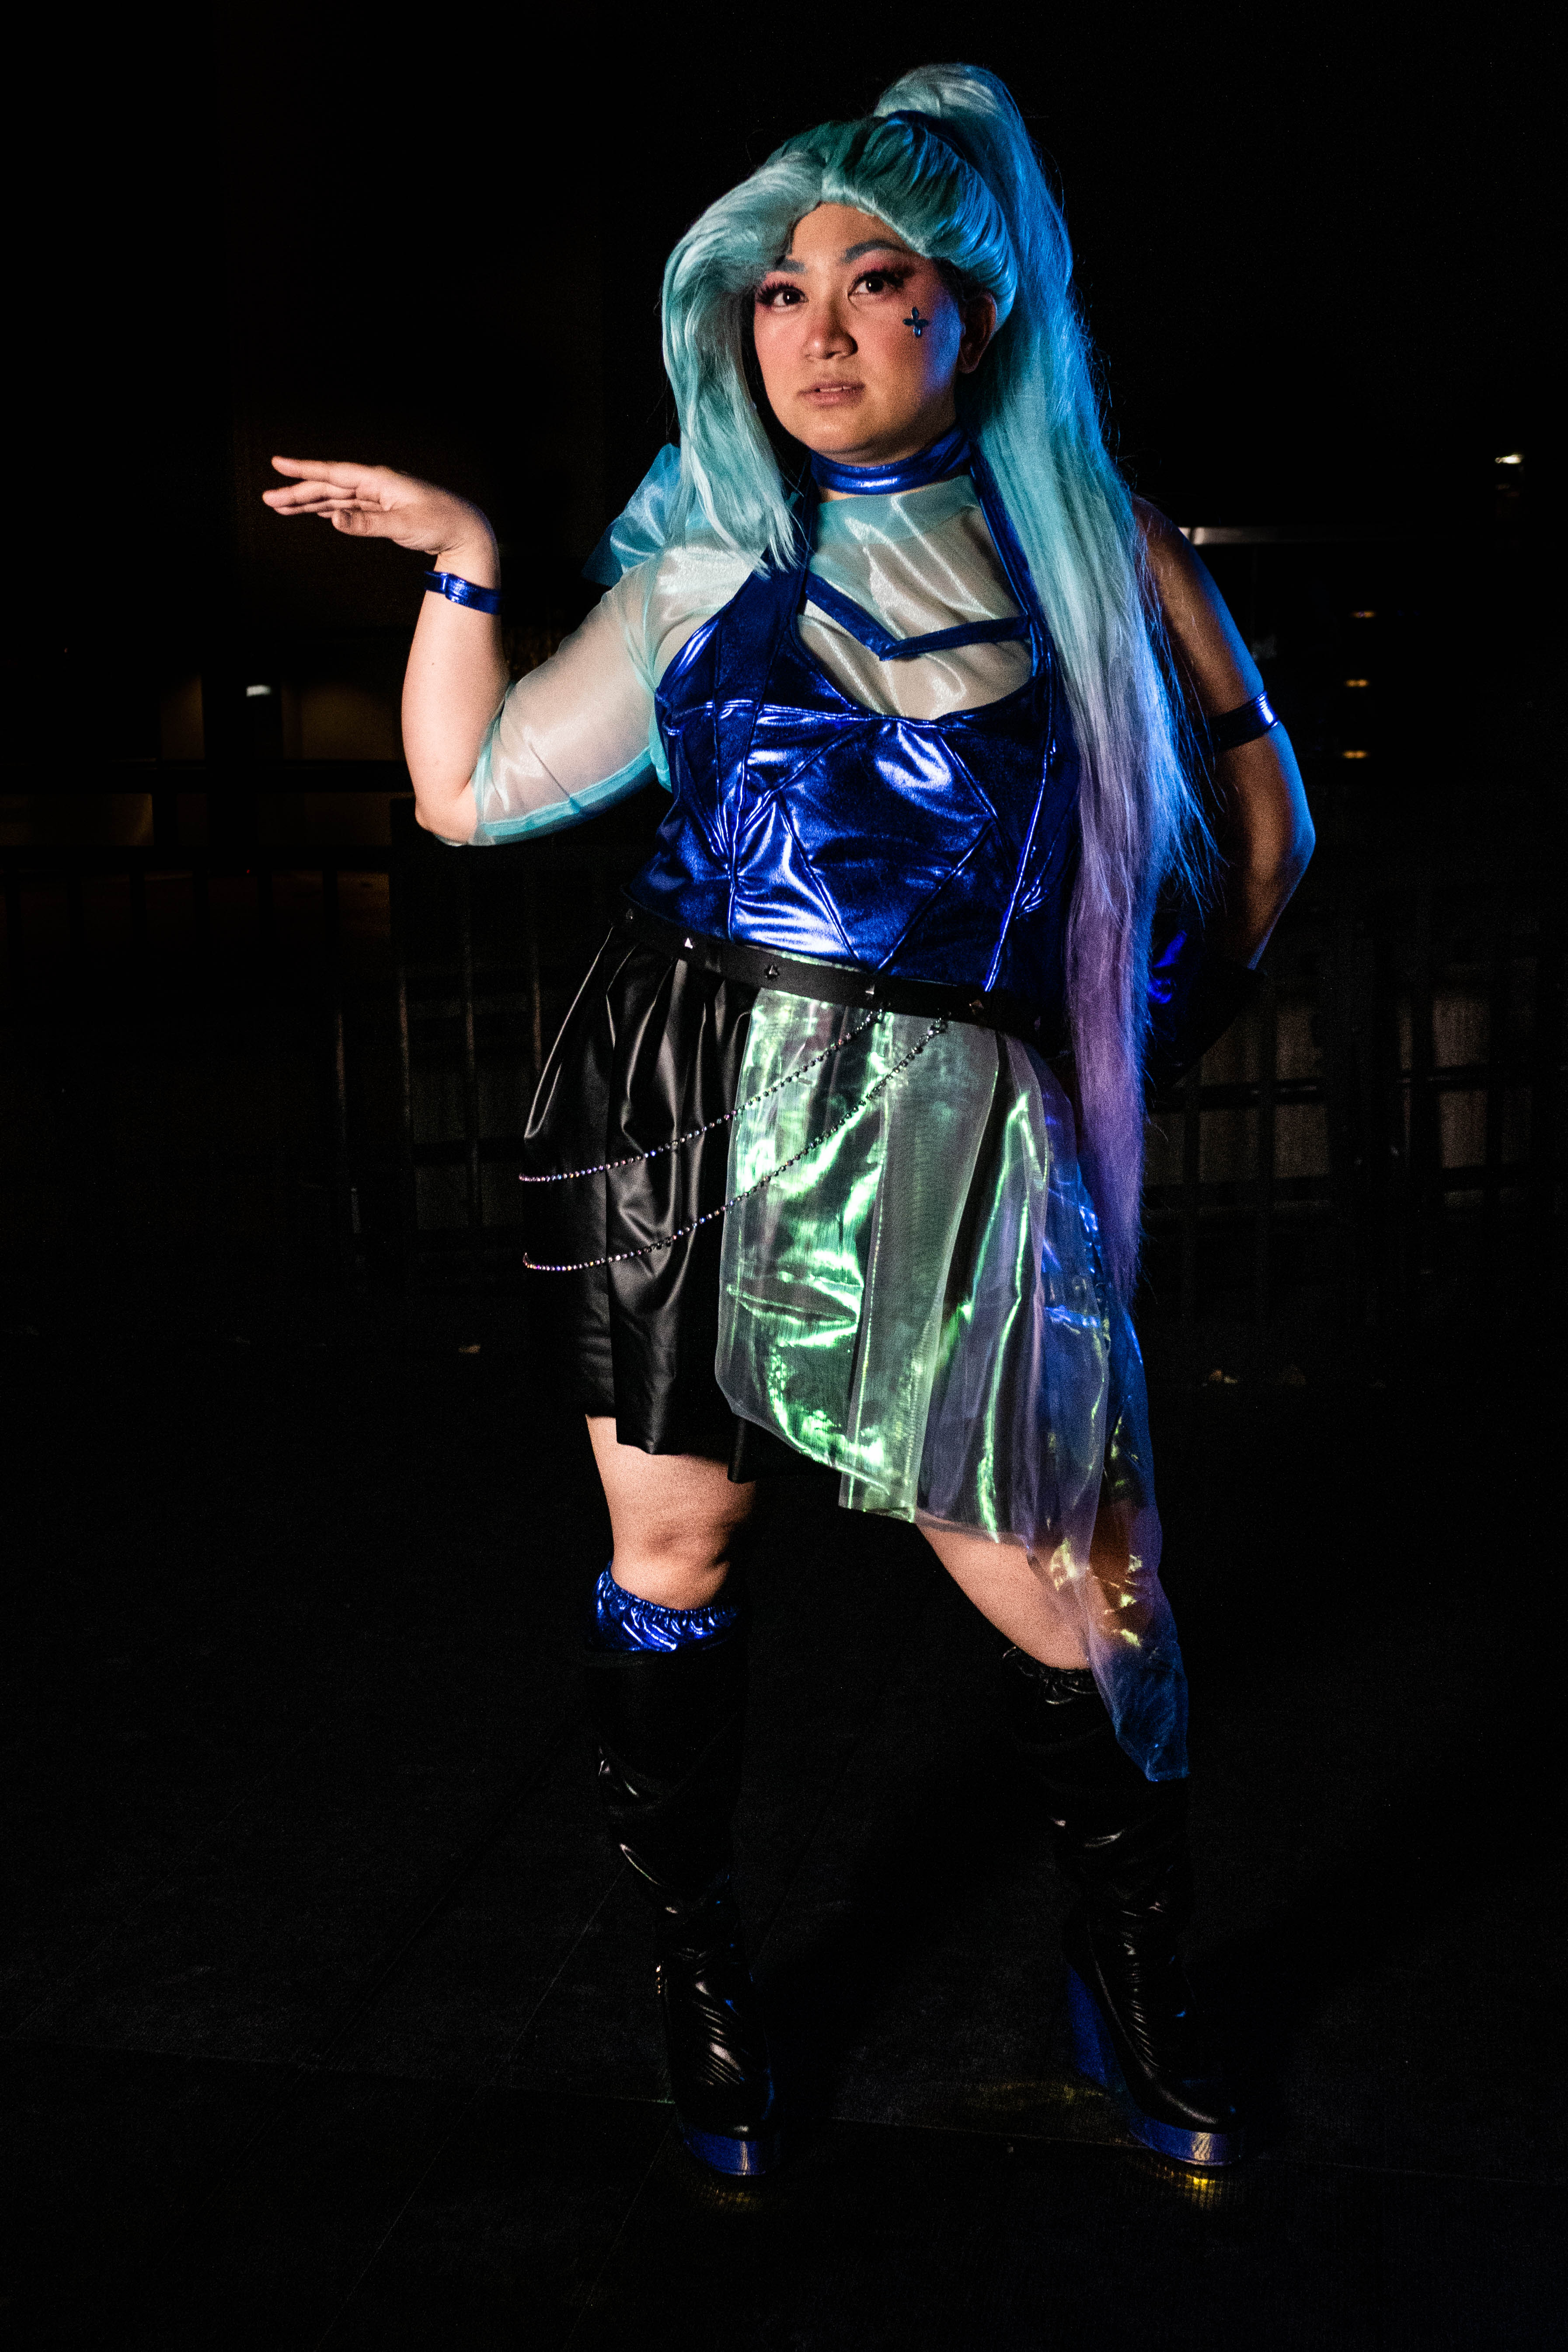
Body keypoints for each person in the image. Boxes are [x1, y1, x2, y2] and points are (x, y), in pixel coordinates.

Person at [265, 63, 1313, 2180]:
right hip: (690, 1110)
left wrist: (1108, 1053)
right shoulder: (706, 558)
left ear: (974, 310)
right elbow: (466, 795)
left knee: (1083, 1584)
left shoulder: (1094, 545)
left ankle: (1138, 1977)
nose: (818, 329)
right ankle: (702, 1973)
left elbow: (1266, 829)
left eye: (876, 280)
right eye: (779, 291)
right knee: (679, 1546)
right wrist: (464, 560)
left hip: (957, 1132)